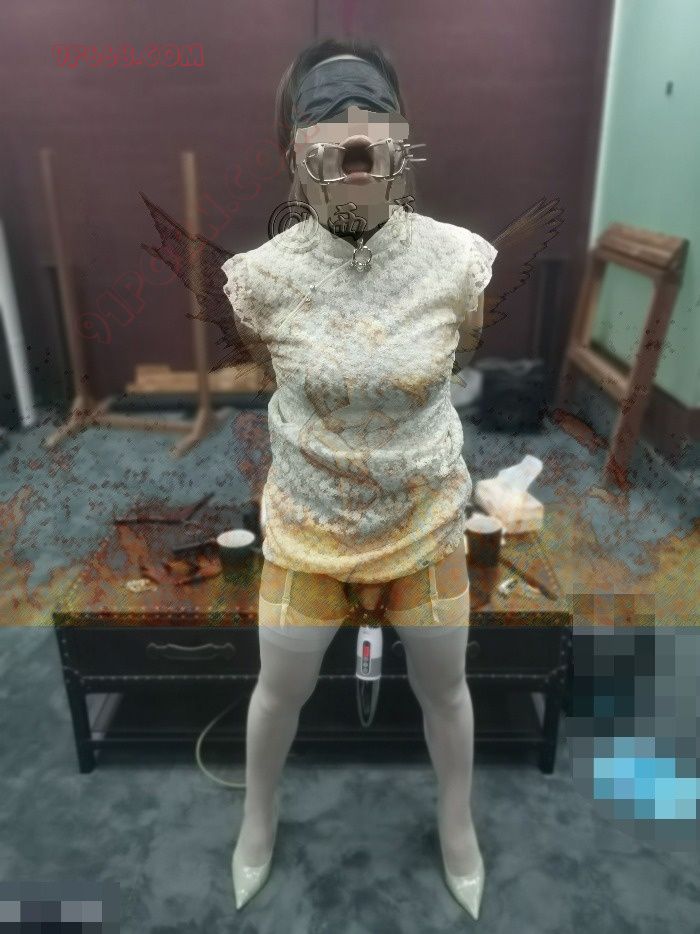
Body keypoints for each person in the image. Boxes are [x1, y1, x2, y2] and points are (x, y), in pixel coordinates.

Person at [222, 37, 497, 920]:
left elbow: (462, 350)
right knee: (279, 692)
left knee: (445, 689)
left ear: (402, 136)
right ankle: (257, 821)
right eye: (324, 117)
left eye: (371, 115)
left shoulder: (461, 262)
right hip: (308, 522)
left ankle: (458, 825)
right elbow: (269, 366)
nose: (351, 136)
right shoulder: (259, 280)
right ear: (291, 148)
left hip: (425, 517)